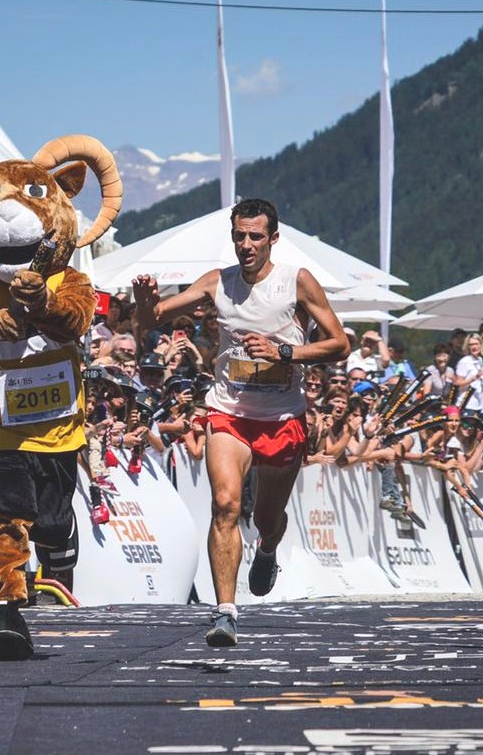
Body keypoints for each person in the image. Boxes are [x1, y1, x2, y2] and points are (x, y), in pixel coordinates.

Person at [132, 198, 348, 648]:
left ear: (273, 238)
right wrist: (145, 300)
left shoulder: (296, 282)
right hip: (228, 411)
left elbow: (339, 344)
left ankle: (267, 549)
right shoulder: (218, 282)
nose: (245, 245)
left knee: (269, 517)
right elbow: (152, 320)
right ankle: (225, 611)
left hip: (282, 416)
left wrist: (284, 352)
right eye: (238, 236)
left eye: (254, 236)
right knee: (226, 505)